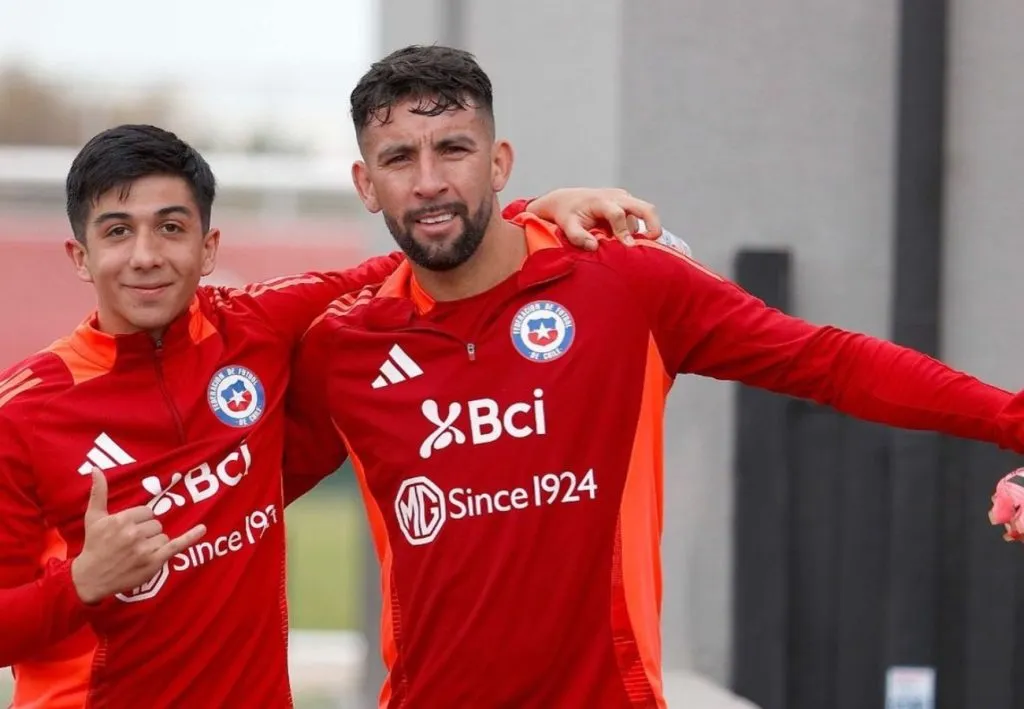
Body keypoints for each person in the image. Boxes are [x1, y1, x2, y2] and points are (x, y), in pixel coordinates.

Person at [285, 44, 1024, 709]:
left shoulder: (625, 284)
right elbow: (237, 492)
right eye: (398, 159)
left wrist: (1011, 417)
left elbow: (830, 362)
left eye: (453, 149)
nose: (428, 181)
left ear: (500, 161)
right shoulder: (343, 346)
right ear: (365, 182)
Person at [0, 123, 664, 707]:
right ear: (80, 258)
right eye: (117, 232)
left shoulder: (258, 326)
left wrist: (531, 213)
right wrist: (82, 583)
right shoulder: (25, 411)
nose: (146, 255)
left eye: (171, 227)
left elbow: (416, 257)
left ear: (207, 248)